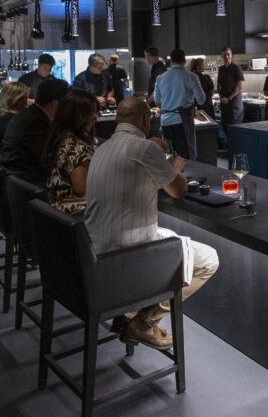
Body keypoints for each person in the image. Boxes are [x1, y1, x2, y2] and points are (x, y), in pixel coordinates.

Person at [85, 97, 220, 349]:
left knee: (169, 235)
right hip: (129, 258)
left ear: (117, 120)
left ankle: (128, 314)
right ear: (146, 119)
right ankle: (144, 322)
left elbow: (132, 175)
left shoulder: (101, 149)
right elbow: (178, 190)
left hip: (96, 254)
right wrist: (175, 167)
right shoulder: (145, 150)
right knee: (210, 259)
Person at [0, 78, 69, 186]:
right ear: (55, 104)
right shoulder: (37, 123)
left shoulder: (29, 114)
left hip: (14, 181)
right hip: (27, 188)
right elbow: (45, 162)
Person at [45, 89, 98, 213]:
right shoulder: (76, 149)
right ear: (79, 116)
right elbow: (83, 191)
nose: (95, 119)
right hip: (73, 214)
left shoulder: (61, 138)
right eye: (93, 114)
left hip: (57, 210)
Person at [154, 48, 207, 160]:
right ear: (184, 61)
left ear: (171, 61)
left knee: (169, 155)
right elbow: (201, 100)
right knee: (185, 156)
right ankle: (186, 177)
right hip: (182, 122)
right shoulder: (191, 77)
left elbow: (157, 101)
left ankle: (172, 177)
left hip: (165, 122)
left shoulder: (160, 78)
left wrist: (167, 108)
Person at [0, 82, 29, 163]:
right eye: (24, 98)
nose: (27, 102)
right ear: (16, 100)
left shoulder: (0, 115)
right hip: (1, 168)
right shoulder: (13, 120)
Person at [216, 46, 244, 141]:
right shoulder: (221, 69)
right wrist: (221, 97)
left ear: (231, 56)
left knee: (234, 128)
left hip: (234, 103)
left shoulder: (236, 68)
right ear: (221, 56)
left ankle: (235, 151)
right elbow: (218, 86)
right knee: (225, 126)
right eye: (224, 55)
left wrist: (229, 98)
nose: (226, 56)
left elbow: (239, 86)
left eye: (228, 54)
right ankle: (229, 150)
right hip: (224, 104)